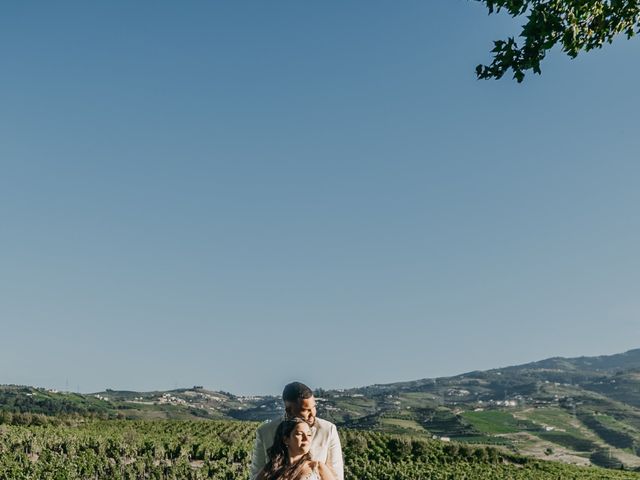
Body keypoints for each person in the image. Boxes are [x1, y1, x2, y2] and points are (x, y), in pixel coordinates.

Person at [249, 382, 343, 480]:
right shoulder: (265, 432)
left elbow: (337, 475)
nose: (313, 414)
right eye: (305, 410)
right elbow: (255, 474)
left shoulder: (328, 430)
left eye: (314, 407)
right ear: (289, 410)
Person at [256, 417, 336, 480]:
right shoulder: (270, 469)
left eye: (309, 435)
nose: (306, 438)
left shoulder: (317, 467)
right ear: (286, 440)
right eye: (299, 434)